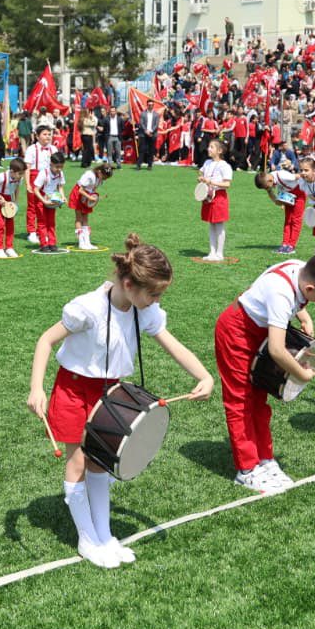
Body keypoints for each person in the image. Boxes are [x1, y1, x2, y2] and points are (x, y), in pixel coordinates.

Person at [27, 235, 213, 567]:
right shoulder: (87, 308)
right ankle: (87, 540)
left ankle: (104, 534)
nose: (157, 300)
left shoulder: (145, 309)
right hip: (73, 388)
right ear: (128, 284)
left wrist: (204, 376)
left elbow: (172, 344)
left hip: (110, 391)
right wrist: (36, 388)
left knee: (102, 460)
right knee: (79, 461)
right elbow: (46, 340)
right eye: (153, 293)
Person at [213, 251, 315, 492]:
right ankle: (247, 470)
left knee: (259, 400)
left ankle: (264, 459)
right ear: (309, 288)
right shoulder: (281, 294)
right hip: (236, 333)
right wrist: (302, 374)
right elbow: (277, 350)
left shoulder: (301, 268)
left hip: (257, 331)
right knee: (241, 401)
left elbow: (286, 298)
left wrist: (303, 315)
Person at [198, 138, 233, 262]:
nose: (209, 149)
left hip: (219, 196)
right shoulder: (207, 162)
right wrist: (201, 179)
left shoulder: (224, 165)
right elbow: (200, 173)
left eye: (211, 147)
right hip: (208, 196)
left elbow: (227, 184)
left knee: (219, 225)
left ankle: (220, 253)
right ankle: (212, 252)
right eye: (209, 146)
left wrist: (211, 182)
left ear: (219, 151)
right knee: (211, 224)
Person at [67, 160, 114, 251]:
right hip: (78, 195)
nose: (104, 180)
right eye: (104, 177)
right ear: (99, 172)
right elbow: (80, 190)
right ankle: (81, 242)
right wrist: (90, 197)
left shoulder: (99, 179)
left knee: (85, 218)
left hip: (86, 197)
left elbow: (93, 189)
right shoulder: (90, 175)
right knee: (79, 218)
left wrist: (93, 198)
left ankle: (87, 242)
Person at [0, 157, 25, 258]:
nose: (22, 176)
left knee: (10, 224)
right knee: (0, 224)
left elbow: (17, 188)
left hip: (9, 200)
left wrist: (15, 202)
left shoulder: (19, 178)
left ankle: (9, 247)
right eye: (20, 173)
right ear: (12, 172)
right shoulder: (2, 177)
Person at [34, 151, 68, 254]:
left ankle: (52, 243)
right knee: (42, 222)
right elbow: (35, 189)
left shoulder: (60, 173)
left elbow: (60, 186)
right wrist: (44, 200)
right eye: (57, 167)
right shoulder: (43, 173)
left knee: (51, 222)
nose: (59, 169)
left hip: (52, 200)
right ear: (51, 164)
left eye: (61, 167)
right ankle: (44, 244)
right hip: (41, 199)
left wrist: (62, 197)